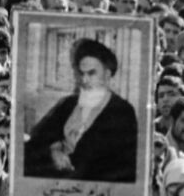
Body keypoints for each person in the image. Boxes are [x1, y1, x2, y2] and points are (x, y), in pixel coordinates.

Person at [24, 38, 137, 182]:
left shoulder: (123, 112)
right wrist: (53, 150)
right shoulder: (68, 104)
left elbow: (121, 166)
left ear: (107, 75)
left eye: (91, 73)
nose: (84, 80)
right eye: (81, 73)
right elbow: (38, 139)